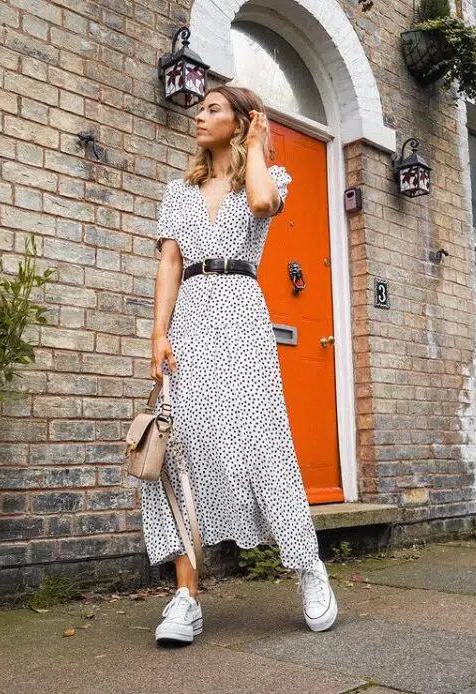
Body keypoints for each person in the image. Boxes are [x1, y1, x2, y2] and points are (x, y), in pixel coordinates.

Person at [139, 86, 337, 646]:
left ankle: (307, 566)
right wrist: (158, 334)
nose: (198, 115)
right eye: (198, 108)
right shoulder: (177, 192)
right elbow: (169, 267)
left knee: (262, 443)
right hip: (190, 321)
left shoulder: (272, 179)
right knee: (180, 447)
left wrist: (256, 145)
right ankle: (186, 596)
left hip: (241, 312)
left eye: (211, 108)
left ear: (241, 120)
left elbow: (258, 205)